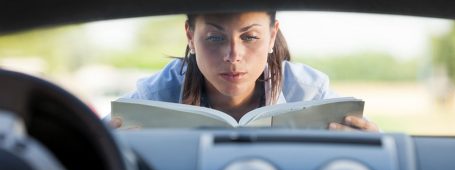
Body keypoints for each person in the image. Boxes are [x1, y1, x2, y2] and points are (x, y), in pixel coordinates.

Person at [110, 11, 379, 132]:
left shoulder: (310, 92)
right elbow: (91, 142)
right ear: (191, 37)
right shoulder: (153, 96)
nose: (233, 56)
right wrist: (108, 144)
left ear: (272, 37)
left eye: (250, 37)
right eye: (215, 38)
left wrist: (369, 145)